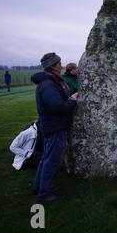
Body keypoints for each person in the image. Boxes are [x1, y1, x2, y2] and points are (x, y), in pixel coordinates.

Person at [31, 53, 78, 202]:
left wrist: (68, 98)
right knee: (52, 161)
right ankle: (45, 193)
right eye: (59, 63)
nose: (61, 65)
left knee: (46, 158)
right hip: (55, 127)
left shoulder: (51, 82)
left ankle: (38, 187)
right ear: (52, 66)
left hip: (52, 126)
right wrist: (72, 100)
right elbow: (57, 107)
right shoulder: (48, 85)